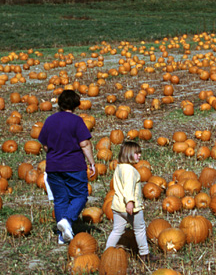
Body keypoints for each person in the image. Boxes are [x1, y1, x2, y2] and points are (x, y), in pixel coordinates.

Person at [38, 89, 95, 245]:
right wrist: (91, 162)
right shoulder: (76, 121)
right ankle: (67, 220)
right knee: (80, 195)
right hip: (73, 166)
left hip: (53, 167)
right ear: (76, 104)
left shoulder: (50, 120)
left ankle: (62, 236)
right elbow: (84, 144)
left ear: (59, 103)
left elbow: (45, 145)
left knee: (60, 200)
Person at [105, 142, 154, 262]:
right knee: (140, 229)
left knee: (117, 230)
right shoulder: (130, 170)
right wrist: (130, 202)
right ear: (128, 154)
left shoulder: (119, 167)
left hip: (117, 207)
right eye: (136, 153)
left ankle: (107, 252)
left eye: (139, 153)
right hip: (131, 207)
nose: (139, 155)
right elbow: (128, 187)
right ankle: (144, 254)